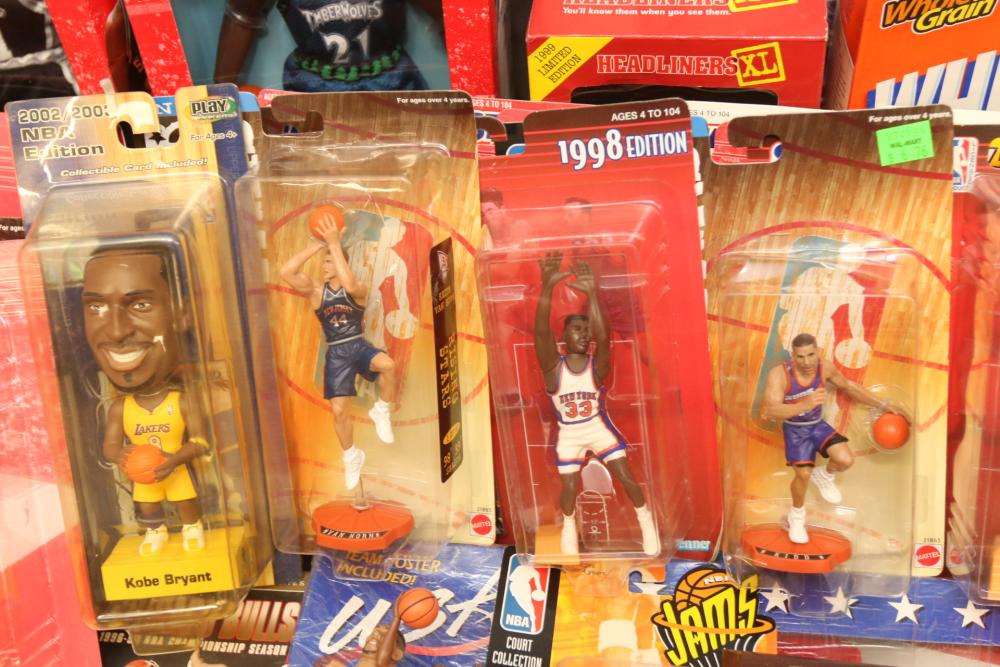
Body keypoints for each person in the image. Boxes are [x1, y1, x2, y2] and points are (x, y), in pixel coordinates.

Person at [84, 249, 208, 556]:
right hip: (143, 474)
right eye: (96, 306)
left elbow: (201, 442)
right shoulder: (121, 408)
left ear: (182, 312)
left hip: (174, 469)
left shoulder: (181, 401)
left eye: (141, 304)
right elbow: (109, 447)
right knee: (148, 506)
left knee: (185, 501)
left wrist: (175, 459)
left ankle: (192, 528)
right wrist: (122, 456)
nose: (116, 331)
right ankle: (155, 531)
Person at [535, 250, 658, 556]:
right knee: (568, 486)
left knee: (626, 476)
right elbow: (541, 333)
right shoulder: (553, 368)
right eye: (577, 328)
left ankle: (645, 521)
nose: (584, 333)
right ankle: (568, 527)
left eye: (586, 329)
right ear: (564, 336)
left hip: (596, 427)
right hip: (569, 432)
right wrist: (547, 287)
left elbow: (604, 339)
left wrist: (593, 294)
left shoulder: (596, 367)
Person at [280, 210, 397, 492]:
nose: (324, 265)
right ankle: (351, 455)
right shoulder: (316, 291)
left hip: (357, 344)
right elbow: (286, 272)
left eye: (330, 261)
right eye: (324, 261)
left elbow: (349, 283)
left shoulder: (358, 289)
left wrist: (335, 244)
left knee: (388, 365)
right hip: (337, 353)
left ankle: (381, 409)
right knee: (339, 411)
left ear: (342, 262)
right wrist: (319, 244)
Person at [762, 332, 898, 544]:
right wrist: (804, 405)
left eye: (811, 355)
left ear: (818, 352)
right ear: (793, 356)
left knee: (845, 460)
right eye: (800, 357)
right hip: (795, 430)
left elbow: (848, 386)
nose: (807, 362)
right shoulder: (779, 375)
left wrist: (882, 405)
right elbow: (771, 410)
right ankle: (796, 516)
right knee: (803, 474)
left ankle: (825, 475)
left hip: (817, 425)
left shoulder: (824, 367)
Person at [215, 0, 441, 93]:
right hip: (312, 87)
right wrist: (222, 92)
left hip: (392, 82)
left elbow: (448, 14)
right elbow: (241, 14)